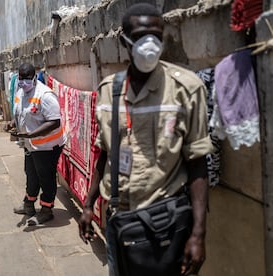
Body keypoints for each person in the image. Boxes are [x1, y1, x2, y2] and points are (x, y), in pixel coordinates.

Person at [78, 3, 213, 276]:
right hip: (120, 220)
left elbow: (198, 162)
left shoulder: (186, 89)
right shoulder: (107, 93)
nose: (149, 43)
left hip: (167, 219)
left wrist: (198, 235)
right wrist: (88, 205)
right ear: (124, 40)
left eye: (156, 35)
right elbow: (103, 155)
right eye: (140, 36)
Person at [6, 63, 66, 225]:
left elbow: (54, 122)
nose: (24, 81)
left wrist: (31, 134)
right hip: (30, 144)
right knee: (31, 173)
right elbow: (21, 111)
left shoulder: (45, 95)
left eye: (27, 78)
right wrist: (12, 122)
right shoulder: (20, 91)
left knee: (45, 177)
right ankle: (28, 205)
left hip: (47, 146)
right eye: (21, 78)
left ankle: (46, 210)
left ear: (34, 77)